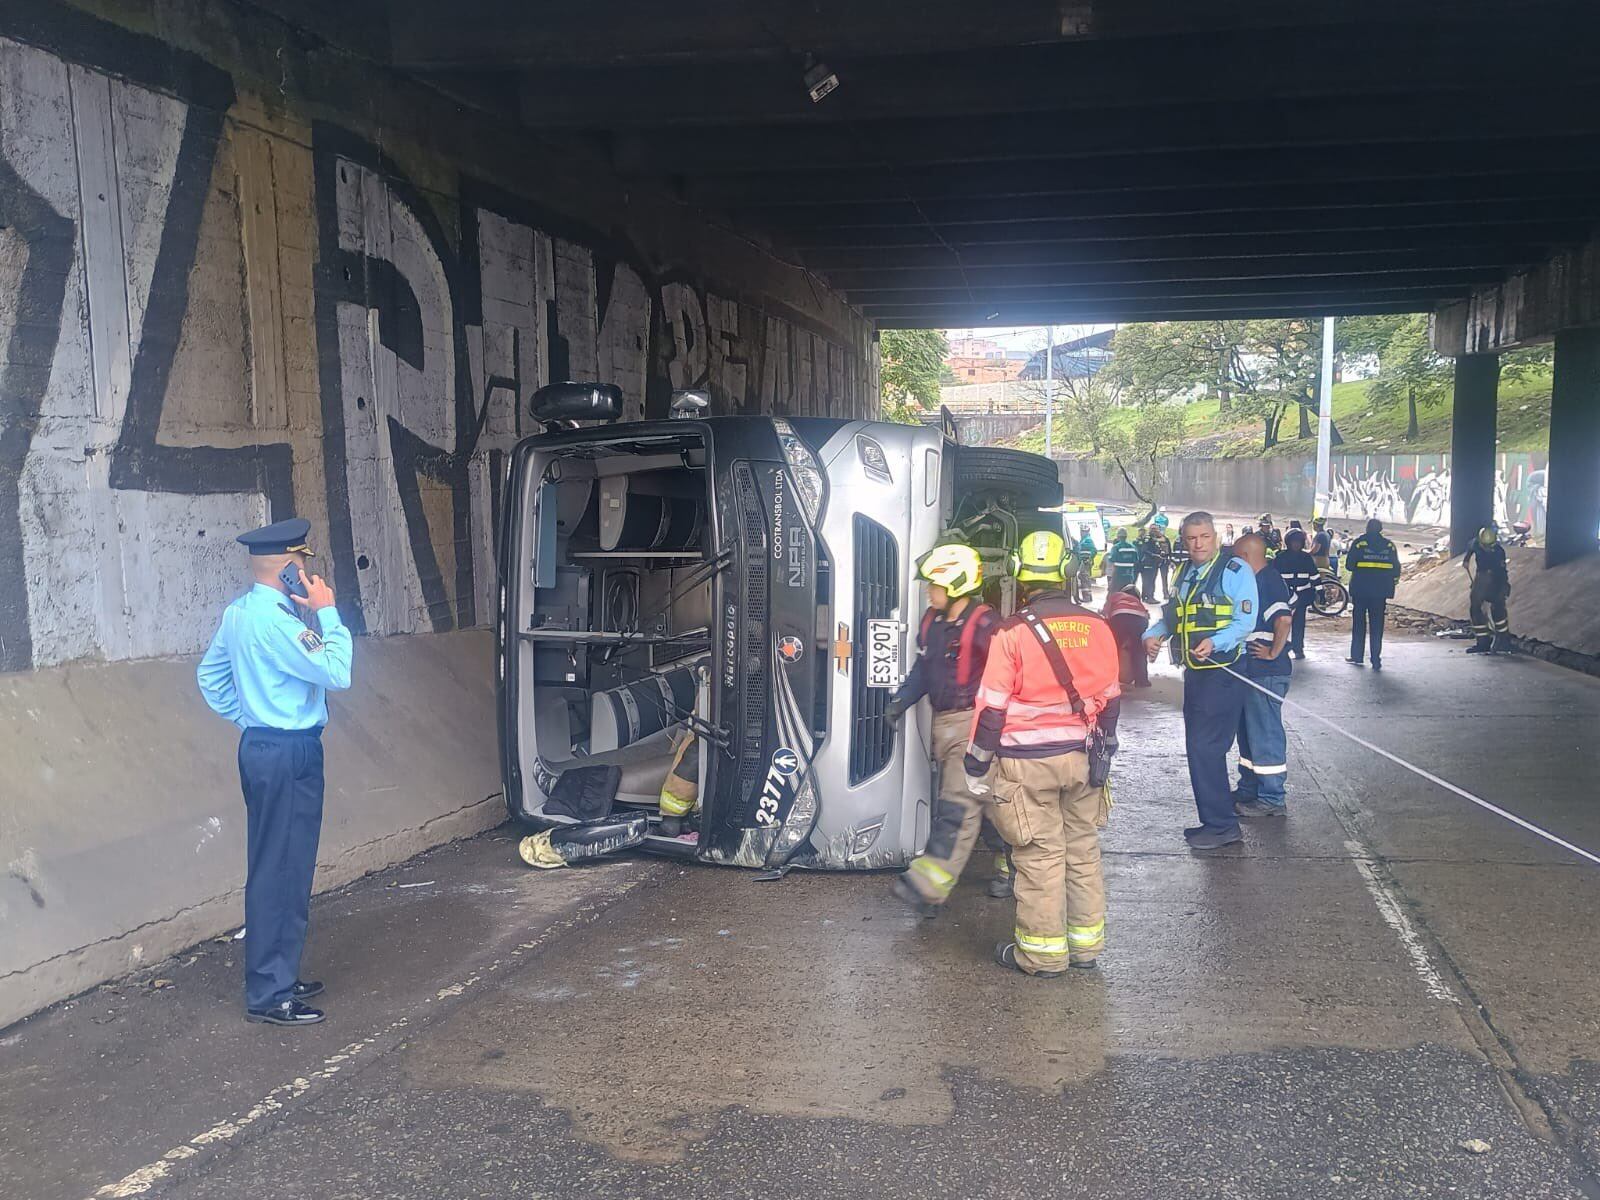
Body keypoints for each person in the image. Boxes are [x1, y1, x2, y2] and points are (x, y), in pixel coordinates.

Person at [197, 518, 354, 1027]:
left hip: (262, 746)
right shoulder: (277, 622)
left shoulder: (240, 613)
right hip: (289, 753)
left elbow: (210, 678)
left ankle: (280, 972)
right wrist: (327, 613)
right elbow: (337, 672)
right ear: (289, 566)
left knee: (280, 864)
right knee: (282, 869)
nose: (307, 571)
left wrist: (251, 719)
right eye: (303, 563)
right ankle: (270, 992)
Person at [963, 529, 1122, 976]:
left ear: (1017, 574)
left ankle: (1042, 955)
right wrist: (1104, 751)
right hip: (1083, 759)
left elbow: (991, 706)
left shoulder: (1011, 633)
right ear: (1070, 571)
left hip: (1025, 766)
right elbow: (1110, 699)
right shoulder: (1098, 627)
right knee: (1083, 850)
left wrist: (976, 765)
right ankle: (1085, 948)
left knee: (1038, 855)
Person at [888, 543, 1008, 913]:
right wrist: (900, 701)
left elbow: (1010, 675)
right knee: (989, 804)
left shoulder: (986, 626)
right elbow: (925, 669)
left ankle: (929, 886)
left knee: (958, 803)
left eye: (933, 584)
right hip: (944, 726)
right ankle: (1013, 861)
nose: (928, 590)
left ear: (955, 584)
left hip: (973, 726)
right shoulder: (932, 621)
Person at [1142, 511, 1259, 850]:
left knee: (1205, 748)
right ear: (1184, 540)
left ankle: (1222, 826)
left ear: (1215, 537)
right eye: (1191, 538)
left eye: (1204, 537)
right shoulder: (1184, 572)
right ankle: (1215, 821)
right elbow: (1173, 616)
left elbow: (1244, 622)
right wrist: (1152, 635)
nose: (1198, 544)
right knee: (1199, 748)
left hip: (1224, 673)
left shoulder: (1235, 571)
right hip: (1196, 674)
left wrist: (1216, 642)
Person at [1229, 534, 1294, 817]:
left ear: (1244, 556)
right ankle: (1250, 788)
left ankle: (1272, 798)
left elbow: (1284, 618)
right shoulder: (1254, 581)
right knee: (1249, 733)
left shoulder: (1268, 580)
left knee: (1264, 734)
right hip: (1250, 672)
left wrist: (1272, 652)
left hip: (1266, 673)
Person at [1345, 517, 1402, 670]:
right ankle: (1376, 659)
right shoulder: (1389, 545)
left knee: (1359, 623)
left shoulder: (1359, 543)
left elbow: (1349, 566)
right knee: (1377, 626)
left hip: (1360, 590)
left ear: (1367, 528)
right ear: (1381, 529)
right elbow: (1396, 569)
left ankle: (1357, 656)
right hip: (1380, 592)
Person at [1463, 524, 1512, 654]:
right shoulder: (1475, 543)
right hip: (1481, 577)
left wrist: (1504, 585)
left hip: (1496, 577)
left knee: (1498, 607)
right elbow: (1470, 548)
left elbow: (1502, 570)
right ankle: (1483, 641)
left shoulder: (1499, 551)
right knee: (1476, 608)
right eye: (1485, 546)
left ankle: (1503, 640)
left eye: (1490, 546)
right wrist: (1466, 559)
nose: (1487, 549)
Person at [1273, 528, 1319, 660]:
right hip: (1283, 597)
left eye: (1299, 542)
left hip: (1302, 597)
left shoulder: (1306, 558)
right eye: (1294, 541)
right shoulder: (1280, 557)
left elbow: (1314, 575)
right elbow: (1273, 577)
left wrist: (1320, 591)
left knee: (1299, 624)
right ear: (1288, 542)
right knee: (1281, 623)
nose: (1296, 544)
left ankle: (1298, 649)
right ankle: (1279, 648)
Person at [1102, 584, 1151, 688]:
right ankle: (1142, 681)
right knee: (1139, 651)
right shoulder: (1139, 603)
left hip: (1119, 618)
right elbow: (1146, 618)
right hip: (1140, 620)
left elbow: (1105, 613)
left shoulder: (1115, 596)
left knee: (1113, 648)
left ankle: (1109, 679)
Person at [1138, 525, 1170, 602]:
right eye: (1153, 529)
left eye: (1156, 529)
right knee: (1149, 580)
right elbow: (1144, 550)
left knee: (1150, 580)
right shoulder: (1148, 539)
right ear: (1150, 530)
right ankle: (1149, 597)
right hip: (1148, 562)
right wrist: (1154, 555)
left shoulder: (1155, 539)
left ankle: (1146, 596)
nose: (1154, 531)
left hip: (1154, 562)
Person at [1106, 527, 1141, 591]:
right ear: (1126, 536)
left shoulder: (1116, 547)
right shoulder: (1132, 547)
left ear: (1118, 536)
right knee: (1127, 590)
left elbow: (1112, 559)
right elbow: (1136, 560)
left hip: (1118, 573)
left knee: (1116, 591)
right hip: (1129, 573)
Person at [1072, 531, 1098, 604]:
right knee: (1083, 577)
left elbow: (1094, 550)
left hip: (1085, 562)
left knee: (1085, 577)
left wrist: (1089, 559)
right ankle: (1087, 597)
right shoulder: (1083, 540)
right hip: (1083, 561)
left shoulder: (1088, 540)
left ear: (1087, 532)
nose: (1082, 533)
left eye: (1083, 531)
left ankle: (1087, 597)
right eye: (1081, 531)